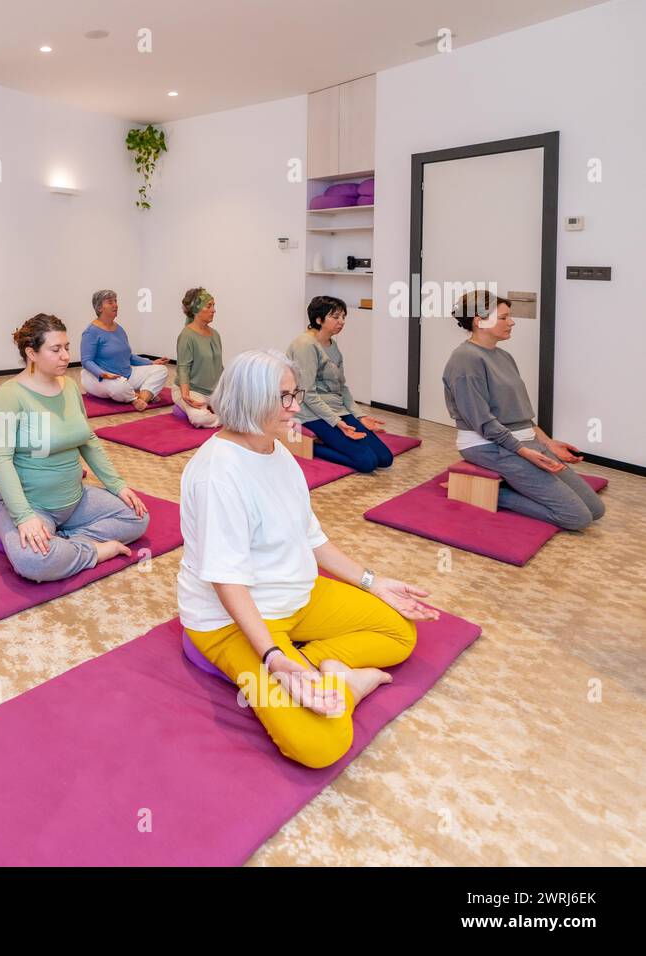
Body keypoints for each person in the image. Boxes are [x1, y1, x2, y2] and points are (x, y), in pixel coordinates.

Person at [179, 349, 438, 769]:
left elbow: (312, 539)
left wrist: (374, 582)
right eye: (284, 397)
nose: (296, 407)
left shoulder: (276, 452)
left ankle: (324, 668)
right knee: (321, 744)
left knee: (399, 633)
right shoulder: (217, 475)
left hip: (298, 596)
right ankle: (339, 682)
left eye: (295, 393)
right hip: (234, 621)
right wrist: (273, 658)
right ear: (251, 401)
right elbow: (227, 581)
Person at [0, 313, 150, 582]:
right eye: (56, 349)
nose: (65, 356)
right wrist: (24, 517)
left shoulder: (70, 387)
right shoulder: (8, 396)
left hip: (73, 499)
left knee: (137, 516)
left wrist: (118, 485)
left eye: (67, 347)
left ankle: (64, 542)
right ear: (32, 353)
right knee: (33, 560)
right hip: (30, 504)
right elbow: (0, 461)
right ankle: (92, 550)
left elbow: (88, 440)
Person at [443, 289, 605, 530]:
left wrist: (547, 443)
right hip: (488, 446)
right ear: (479, 321)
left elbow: (520, 414)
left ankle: (515, 482)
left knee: (595, 509)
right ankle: (489, 493)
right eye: (504, 317)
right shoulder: (465, 360)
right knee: (576, 517)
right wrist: (525, 452)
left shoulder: (503, 356)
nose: (512, 322)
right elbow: (484, 423)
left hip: (523, 442)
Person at [287, 295, 391, 472]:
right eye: (335, 317)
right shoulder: (304, 345)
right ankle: (313, 447)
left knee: (385, 458)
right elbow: (307, 394)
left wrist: (360, 416)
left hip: (337, 409)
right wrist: (336, 422)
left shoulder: (332, 344)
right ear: (318, 319)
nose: (341, 321)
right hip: (311, 413)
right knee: (367, 462)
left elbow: (342, 386)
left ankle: (332, 440)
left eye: (343, 317)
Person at [79, 289, 170, 410]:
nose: (115, 305)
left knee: (161, 370)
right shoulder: (90, 332)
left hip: (127, 375)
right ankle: (138, 396)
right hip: (104, 378)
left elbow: (128, 356)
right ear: (99, 308)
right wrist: (102, 374)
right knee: (119, 387)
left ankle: (141, 399)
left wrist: (151, 362)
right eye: (110, 302)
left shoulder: (119, 329)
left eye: (115, 301)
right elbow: (86, 361)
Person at [172, 287, 222, 427]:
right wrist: (185, 395)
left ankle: (211, 412)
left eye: (214, 305)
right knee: (199, 418)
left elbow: (218, 367)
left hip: (213, 392)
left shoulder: (215, 334)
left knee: (244, 407)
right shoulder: (186, 336)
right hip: (191, 390)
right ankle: (225, 421)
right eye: (209, 306)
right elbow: (183, 368)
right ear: (196, 309)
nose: (213, 310)